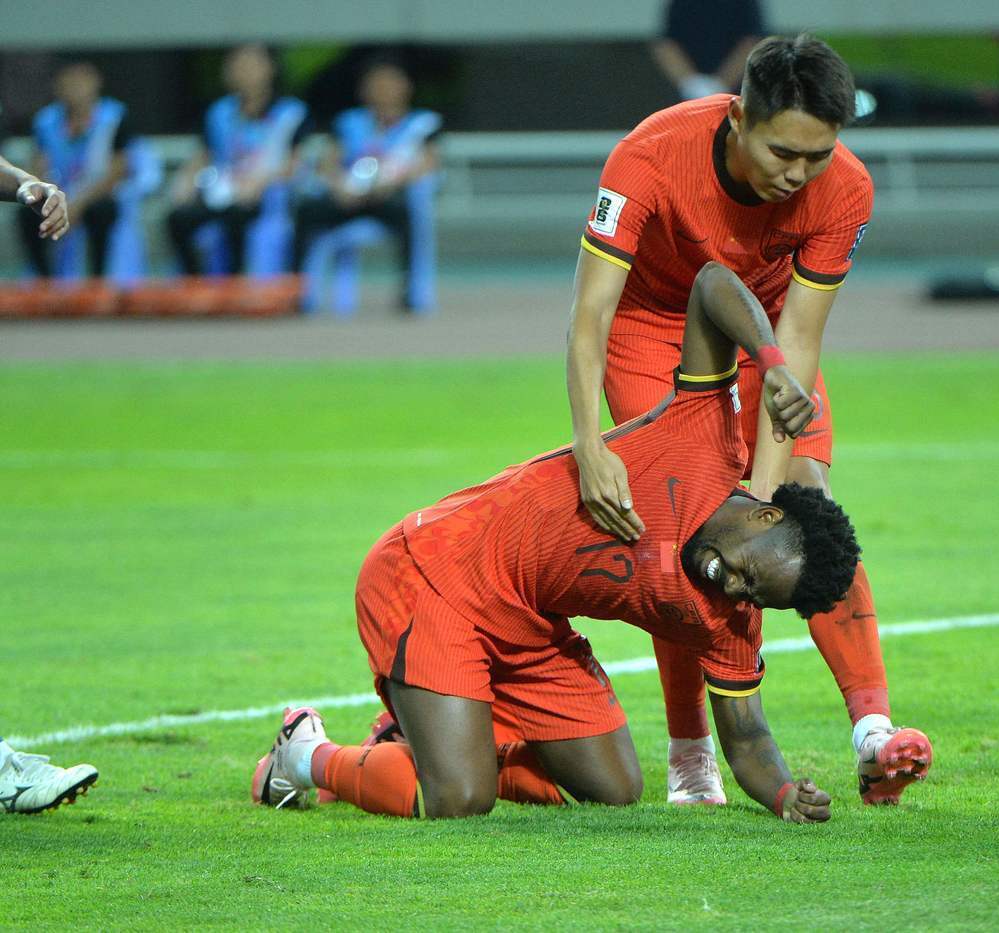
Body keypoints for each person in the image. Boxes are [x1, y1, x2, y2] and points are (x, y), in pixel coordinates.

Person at [252, 262, 904, 821]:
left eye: (756, 594)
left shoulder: (730, 616)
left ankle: (426, 730)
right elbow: (710, 285)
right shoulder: (703, 435)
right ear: (764, 517)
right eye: (751, 573)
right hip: (439, 571)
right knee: (459, 796)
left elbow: (747, 734)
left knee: (614, 788)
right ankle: (305, 754)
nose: (736, 587)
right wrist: (774, 365)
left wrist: (785, 792)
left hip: (530, 621)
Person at [565, 34, 930, 807]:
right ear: (737, 118)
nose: (798, 174)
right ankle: (691, 751)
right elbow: (592, 314)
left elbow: (797, 338)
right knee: (680, 527)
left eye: (817, 156)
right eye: (782, 153)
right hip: (650, 326)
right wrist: (589, 444)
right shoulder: (648, 157)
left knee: (806, 499)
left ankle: (873, 731)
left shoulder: (845, 187)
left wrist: (756, 499)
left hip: (766, 331)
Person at [292, 60, 441, 309]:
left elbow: (428, 165)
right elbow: (328, 162)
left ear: (405, 87)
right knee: (306, 211)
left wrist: (392, 182)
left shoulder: (422, 124)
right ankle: (296, 291)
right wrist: (339, 186)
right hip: (348, 197)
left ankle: (409, 292)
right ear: (364, 90)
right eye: (376, 84)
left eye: (390, 83)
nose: (383, 90)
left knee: (409, 214)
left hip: (388, 198)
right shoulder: (349, 122)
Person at [166, 44, 310, 275]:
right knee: (179, 218)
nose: (244, 71)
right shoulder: (218, 113)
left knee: (238, 214)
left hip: (263, 197)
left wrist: (261, 182)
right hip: (221, 192)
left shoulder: (291, 113)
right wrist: (185, 182)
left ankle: (236, 281)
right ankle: (194, 282)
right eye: (237, 64)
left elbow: (295, 165)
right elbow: (203, 157)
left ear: (270, 69)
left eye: (252, 64)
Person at [15, 62, 132, 278]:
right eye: (67, 84)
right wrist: (51, 196)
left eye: (79, 83)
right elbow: (39, 165)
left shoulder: (114, 116)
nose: (74, 90)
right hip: (58, 190)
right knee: (27, 212)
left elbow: (118, 169)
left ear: (95, 84)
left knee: (103, 211)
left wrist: (78, 203)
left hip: (96, 193)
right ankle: (45, 280)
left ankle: (98, 279)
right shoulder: (46, 120)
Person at [651, 0, 767, 100]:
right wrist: (692, 84)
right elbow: (666, 45)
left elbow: (751, 42)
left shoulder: (744, 3)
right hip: (688, 97)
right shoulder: (680, 3)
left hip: (737, 96)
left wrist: (720, 85)